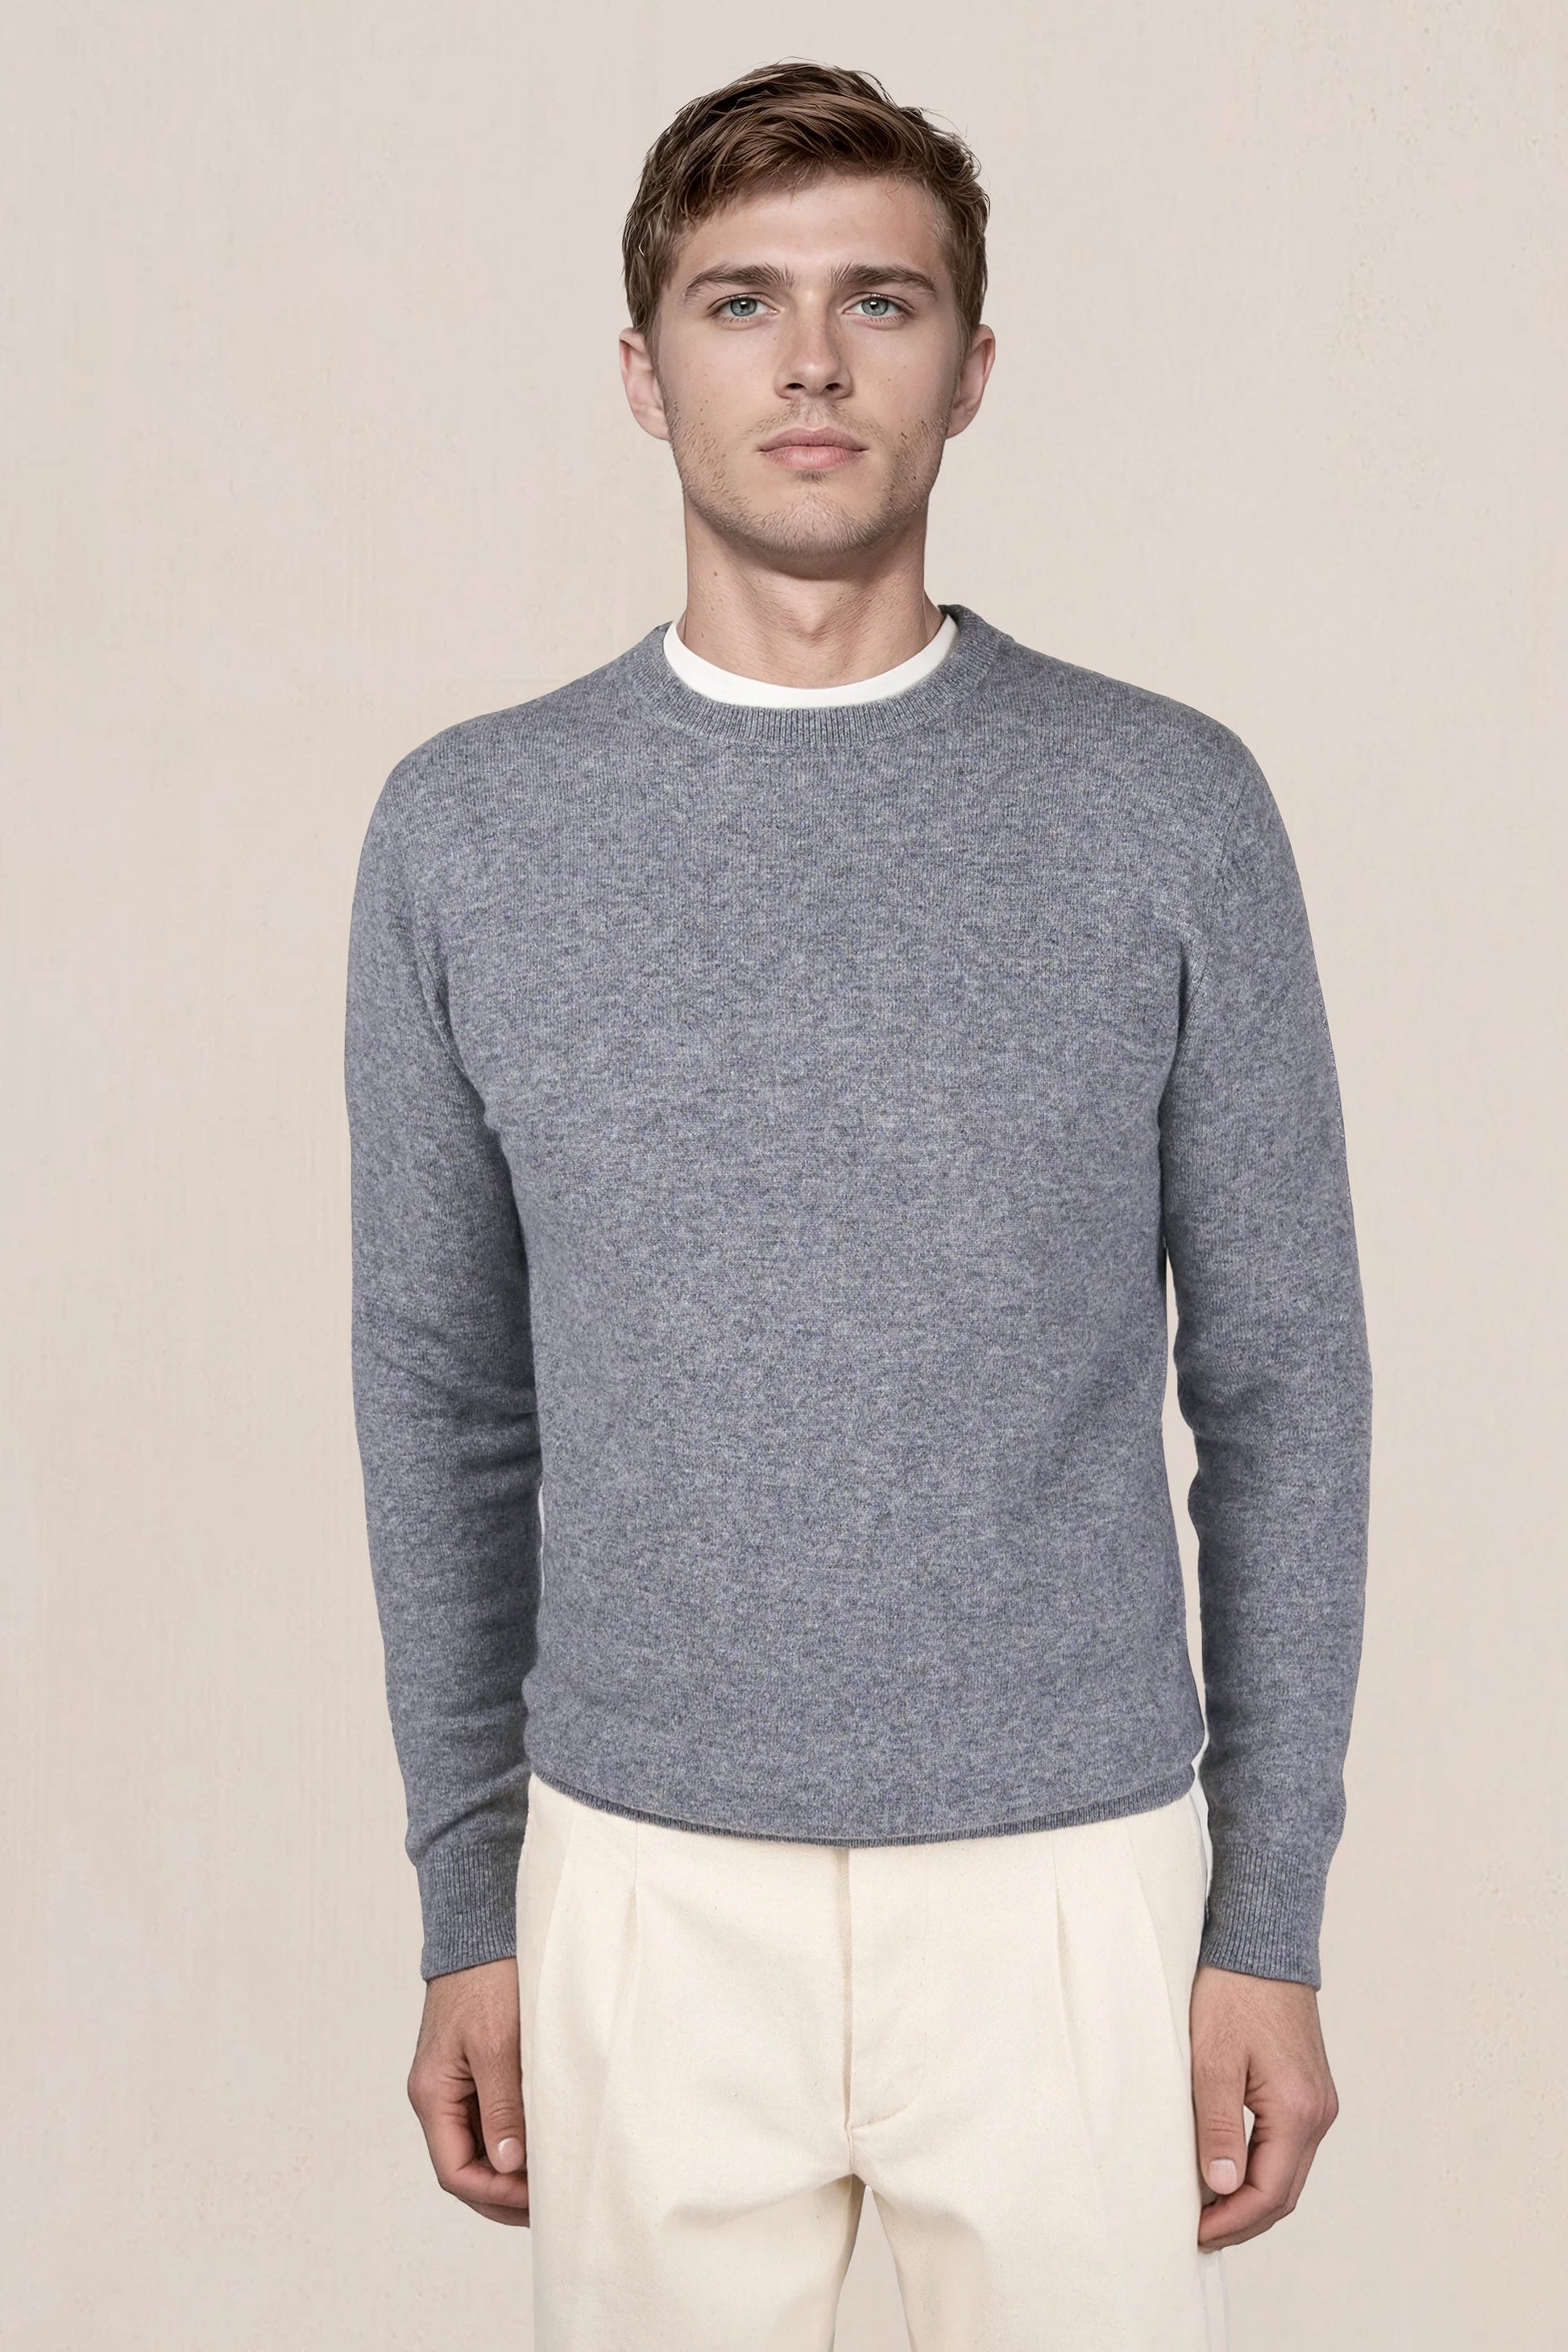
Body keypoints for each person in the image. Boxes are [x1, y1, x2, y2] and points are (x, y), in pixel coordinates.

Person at [343, 58, 1372, 2352]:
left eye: (877, 301)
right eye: (740, 302)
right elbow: (442, 1400)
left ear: (970, 367)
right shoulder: (469, 831)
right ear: (644, 372)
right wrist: (469, 1903)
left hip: (1073, 1884)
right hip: (634, 1880)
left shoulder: (1166, 805)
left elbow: (1286, 1382)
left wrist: (1268, 1919)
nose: (809, 361)